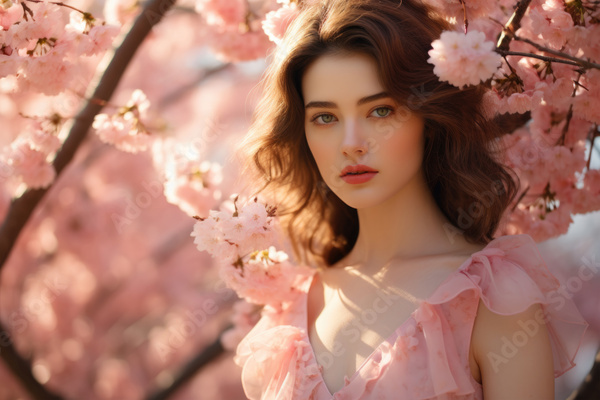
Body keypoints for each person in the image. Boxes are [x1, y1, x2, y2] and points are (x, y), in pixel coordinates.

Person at [234, 0, 590, 398]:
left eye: (381, 111)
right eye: (325, 117)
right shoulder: (291, 312)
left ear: (430, 116)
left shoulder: (493, 299)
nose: (351, 145)